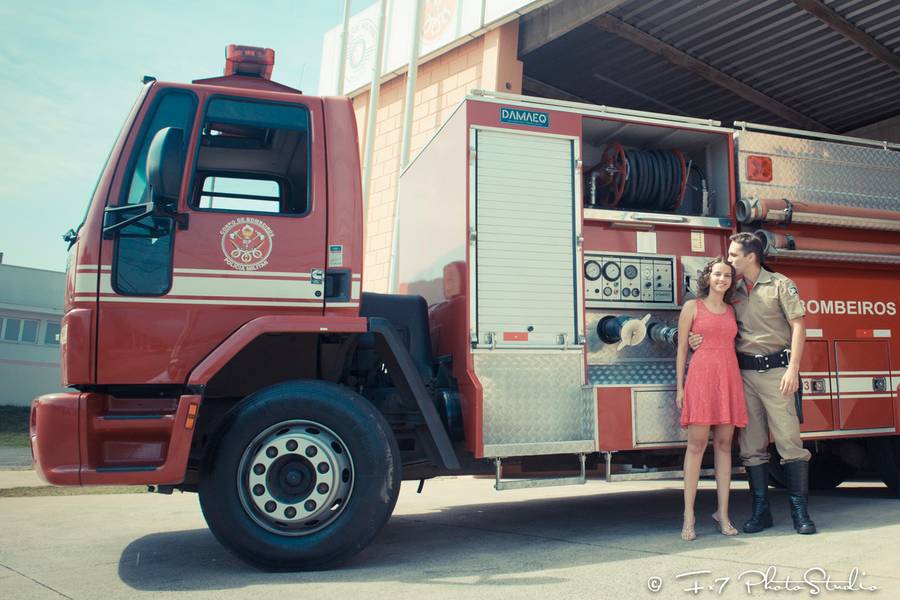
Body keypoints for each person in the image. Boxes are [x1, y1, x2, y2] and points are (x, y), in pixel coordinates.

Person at [690, 232, 816, 535]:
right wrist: (697, 338)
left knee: (789, 443)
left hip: (777, 372)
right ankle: (762, 512)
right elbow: (712, 317)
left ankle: (800, 513)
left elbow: (799, 327)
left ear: (751, 257)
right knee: (751, 446)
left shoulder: (780, 285)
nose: (729, 260)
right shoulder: (732, 292)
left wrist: (793, 369)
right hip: (742, 376)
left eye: (734, 255)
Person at [675, 257, 747, 541]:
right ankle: (688, 515)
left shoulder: (732, 310)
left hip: (728, 378)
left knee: (725, 445)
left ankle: (723, 513)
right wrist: (680, 388)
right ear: (708, 277)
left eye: (727, 275)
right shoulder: (692, 307)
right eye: (717, 274)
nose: (722, 279)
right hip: (701, 379)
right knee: (696, 446)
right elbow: (681, 349)